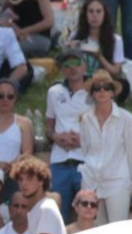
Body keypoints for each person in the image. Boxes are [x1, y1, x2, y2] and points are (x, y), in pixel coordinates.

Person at [79, 70, 132, 224]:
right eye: (97, 88)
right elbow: (85, 149)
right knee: (93, 230)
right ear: (92, 93)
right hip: (91, 180)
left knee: (118, 229)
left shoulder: (126, 119)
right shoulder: (85, 119)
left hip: (117, 182)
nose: (102, 91)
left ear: (113, 92)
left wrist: (129, 181)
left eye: (106, 87)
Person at [45, 48, 92, 224]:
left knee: (88, 211)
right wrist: (57, 137)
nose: (73, 68)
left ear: (84, 66)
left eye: (77, 63)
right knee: (57, 214)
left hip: (86, 160)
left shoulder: (94, 92)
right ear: (62, 69)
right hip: (59, 160)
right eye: (67, 65)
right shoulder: (54, 92)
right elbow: (49, 126)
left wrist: (82, 139)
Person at [71, 0, 131, 103]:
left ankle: (101, 98)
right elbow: (69, 69)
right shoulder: (76, 37)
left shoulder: (115, 40)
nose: (95, 15)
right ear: (85, 15)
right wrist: (71, 51)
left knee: (123, 85)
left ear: (104, 14)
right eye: (91, 11)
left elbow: (115, 71)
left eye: (98, 12)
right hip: (82, 79)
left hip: (103, 80)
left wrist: (99, 57)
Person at [10, 155, 66, 234]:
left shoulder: (46, 209)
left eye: (29, 179)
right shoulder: (37, 209)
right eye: (20, 179)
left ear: (41, 181)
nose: (23, 183)